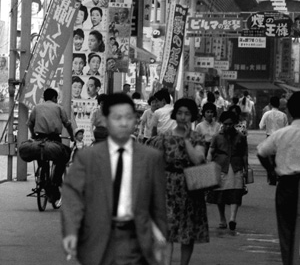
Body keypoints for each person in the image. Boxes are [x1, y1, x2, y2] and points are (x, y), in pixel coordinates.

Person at [61, 93, 167, 265]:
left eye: (129, 117)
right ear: (107, 121)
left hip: (137, 240)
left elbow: (158, 205)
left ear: (135, 121)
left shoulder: (151, 158)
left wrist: (161, 238)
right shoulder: (87, 158)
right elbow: (72, 196)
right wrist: (71, 231)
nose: (124, 123)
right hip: (97, 238)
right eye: (117, 118)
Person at [152, 98, 209, 265]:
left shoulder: (197, 137)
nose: (183, 117)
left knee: (187, 231)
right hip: (167, 186)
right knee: (166, 230)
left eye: (187, 113)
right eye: (180, 113)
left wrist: (185, 140)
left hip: (190, 186)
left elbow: (199, 159)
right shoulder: (164, 137)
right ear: (174, 114)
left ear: (192, 116)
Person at [257, 91, 300, 265]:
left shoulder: (283, 134)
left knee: (286, 230)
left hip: (287, 186)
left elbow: (261, 152)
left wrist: (271, 170)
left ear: (289, 111)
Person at [27, 88, 74, 203]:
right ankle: (55, 182)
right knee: (63, 157)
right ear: (54, 98)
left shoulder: (37, 107)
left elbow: (29, 123)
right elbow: (67, 124)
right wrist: (72, 136)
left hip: (39, 138)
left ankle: (42, 177)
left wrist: (33, 134)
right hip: (54, 139)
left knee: (41, 156)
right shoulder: (58, 108)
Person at [206, 111, 248, 231]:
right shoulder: (217, 137)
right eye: (225, 124)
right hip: (220, 166)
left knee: (236, 193)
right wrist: (208, 166)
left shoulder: (241, 137)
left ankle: (232, 219)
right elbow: (210, 152)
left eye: (230, 124)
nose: (228, 126)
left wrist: (246, 168)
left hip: (236, 167)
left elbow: (244, 154)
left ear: (234, 124)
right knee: (220, 195)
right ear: (222, 124)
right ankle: (222, 219)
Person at [259, 96, 288, 185]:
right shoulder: (283, 115)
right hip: (280, 138)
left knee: (270, 158)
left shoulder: (267, 114)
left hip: (270, 137)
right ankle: (278, 175)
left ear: (270, 104)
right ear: (279, 104)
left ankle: (272, 177)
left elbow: (261, 126)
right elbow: (286, 127)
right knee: (279, 157)